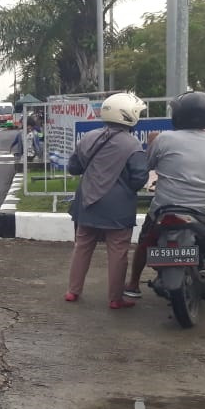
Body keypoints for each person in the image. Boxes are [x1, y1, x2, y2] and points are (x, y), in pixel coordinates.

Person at [125, 91, 205, 298]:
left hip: (165, 207)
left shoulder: (164, 139)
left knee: (145, 241)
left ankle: (133, 284)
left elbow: (148, 164)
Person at [64, 93, 149, 309]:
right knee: (118, 251)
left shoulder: (89, 137)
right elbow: (140, 177)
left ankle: (73, 291)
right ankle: (115, 298)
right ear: (130, 116)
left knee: (82, 245)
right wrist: (125, 189)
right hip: (118, 207)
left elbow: (73, 167)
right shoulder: (133, 145)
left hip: (87, 202)